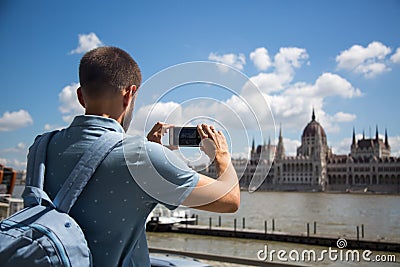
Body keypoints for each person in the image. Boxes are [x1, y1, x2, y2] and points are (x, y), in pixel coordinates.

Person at [34, 46, 240, 266]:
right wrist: (222, 155)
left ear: (80, 96)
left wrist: (154, 151)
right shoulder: (143, 158)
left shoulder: (40, 146)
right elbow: (229, 200)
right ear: (129, 94)